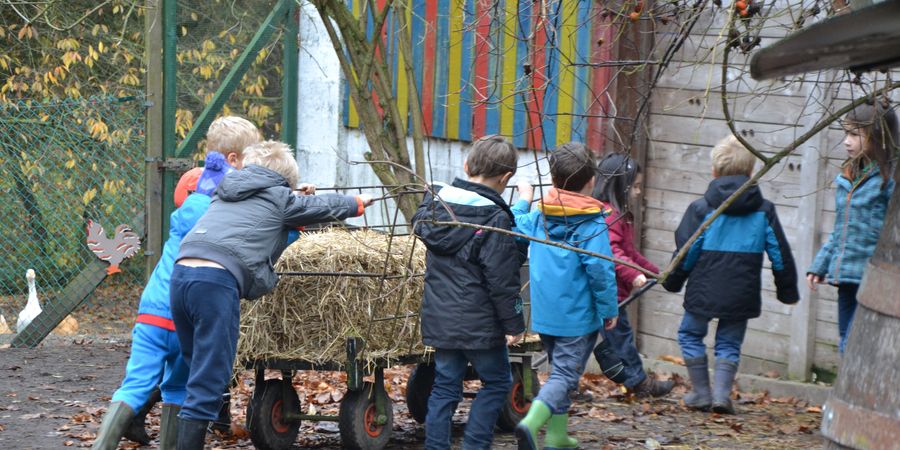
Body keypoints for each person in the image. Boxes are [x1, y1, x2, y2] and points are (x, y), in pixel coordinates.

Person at [169, 140, 374, 449]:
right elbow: (318, 208)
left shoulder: (224, 192)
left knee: (196, 366)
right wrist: (356, 202)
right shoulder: (279, 198)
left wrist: (293, 193)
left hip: (182, 275)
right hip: (215, 281)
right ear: (284, 181)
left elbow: (265, 210)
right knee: (210, 377)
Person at [92, 116, 260, 450]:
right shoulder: (226, 210)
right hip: (189, 314)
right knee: (178, 389)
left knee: (135, 386)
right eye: (250, 159)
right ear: (233, 160)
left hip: (154, 307)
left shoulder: (192, 203)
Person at [662, 135, 799, 415]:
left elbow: (685, 251)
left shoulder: (703, 209)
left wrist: (673, 281)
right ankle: (722, 396)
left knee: (689, 334)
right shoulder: (764, 210)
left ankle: (701, 392)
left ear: (714, 173)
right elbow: (780, 254)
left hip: (703, 288)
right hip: (742, 291)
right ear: (750, 173)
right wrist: (787, 291)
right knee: (729, 342)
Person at [411, 135, 526, 450]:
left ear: (466, 165)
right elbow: (502, 280)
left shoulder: (436, 207)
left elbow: (419, 217)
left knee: (446, 386)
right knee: (498, 381)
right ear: (505, 179)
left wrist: (429, 195)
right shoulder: (495, 219)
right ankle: (475, 445)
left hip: (442, 319)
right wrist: (514, 324)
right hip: (480, 325)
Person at [513, 142, 618, 450]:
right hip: (577, 317)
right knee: (564, 376)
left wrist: (523, 200)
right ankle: (531, 424)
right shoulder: (591, 223)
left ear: (554, 179)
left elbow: (516, 224)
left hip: (546, 315)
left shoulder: (540, 215)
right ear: (591, 181)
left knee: (562, 372)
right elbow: (600, 269)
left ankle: (557, 435)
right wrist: (609, 309)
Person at [807, 101, 897, 354]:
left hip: (875, 278)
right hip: (846, 276)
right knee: (847, 341)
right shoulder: (848, 178)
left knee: (859, 346)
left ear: (878, 136)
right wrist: (820, 265)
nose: (847, 141)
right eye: (846, 133)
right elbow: (840, 229)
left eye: (855, 134)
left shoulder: (890, 181)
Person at [591, 153, 674, 398]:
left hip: (613, 293)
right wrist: (633, 275)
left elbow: (629, 252)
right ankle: (640, 383)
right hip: (610, 295)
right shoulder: (609, 216)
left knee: (589, 343)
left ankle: (569, 384)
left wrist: (655, 272)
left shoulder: (620, 216)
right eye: (635, 186)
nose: (638, 192)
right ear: (620, 186)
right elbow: (612, 252)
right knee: (621, 340)